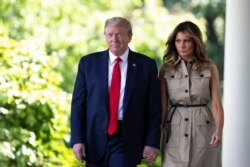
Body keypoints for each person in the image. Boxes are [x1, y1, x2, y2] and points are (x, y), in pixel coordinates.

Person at [70, 16, 161, 167]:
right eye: (110, 35)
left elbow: (154, 109)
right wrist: (77, 139)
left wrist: (151, 142)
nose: (114, 39)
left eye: (119, 34)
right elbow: (78, 105)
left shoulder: (146, 66)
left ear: (129, 36)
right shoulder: (88, 63)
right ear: (105, 36)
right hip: (94, 139)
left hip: (127, 140)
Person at [159, 21, 224, 167]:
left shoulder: (209, 67)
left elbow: (216, 105)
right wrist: (154, 138)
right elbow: (162, 107)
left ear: (195, 42)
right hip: (174, 130)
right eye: (178, 41)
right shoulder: (166, 69)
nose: (182, 45)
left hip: (203, 130)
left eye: (187, 41)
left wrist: (218, 132)